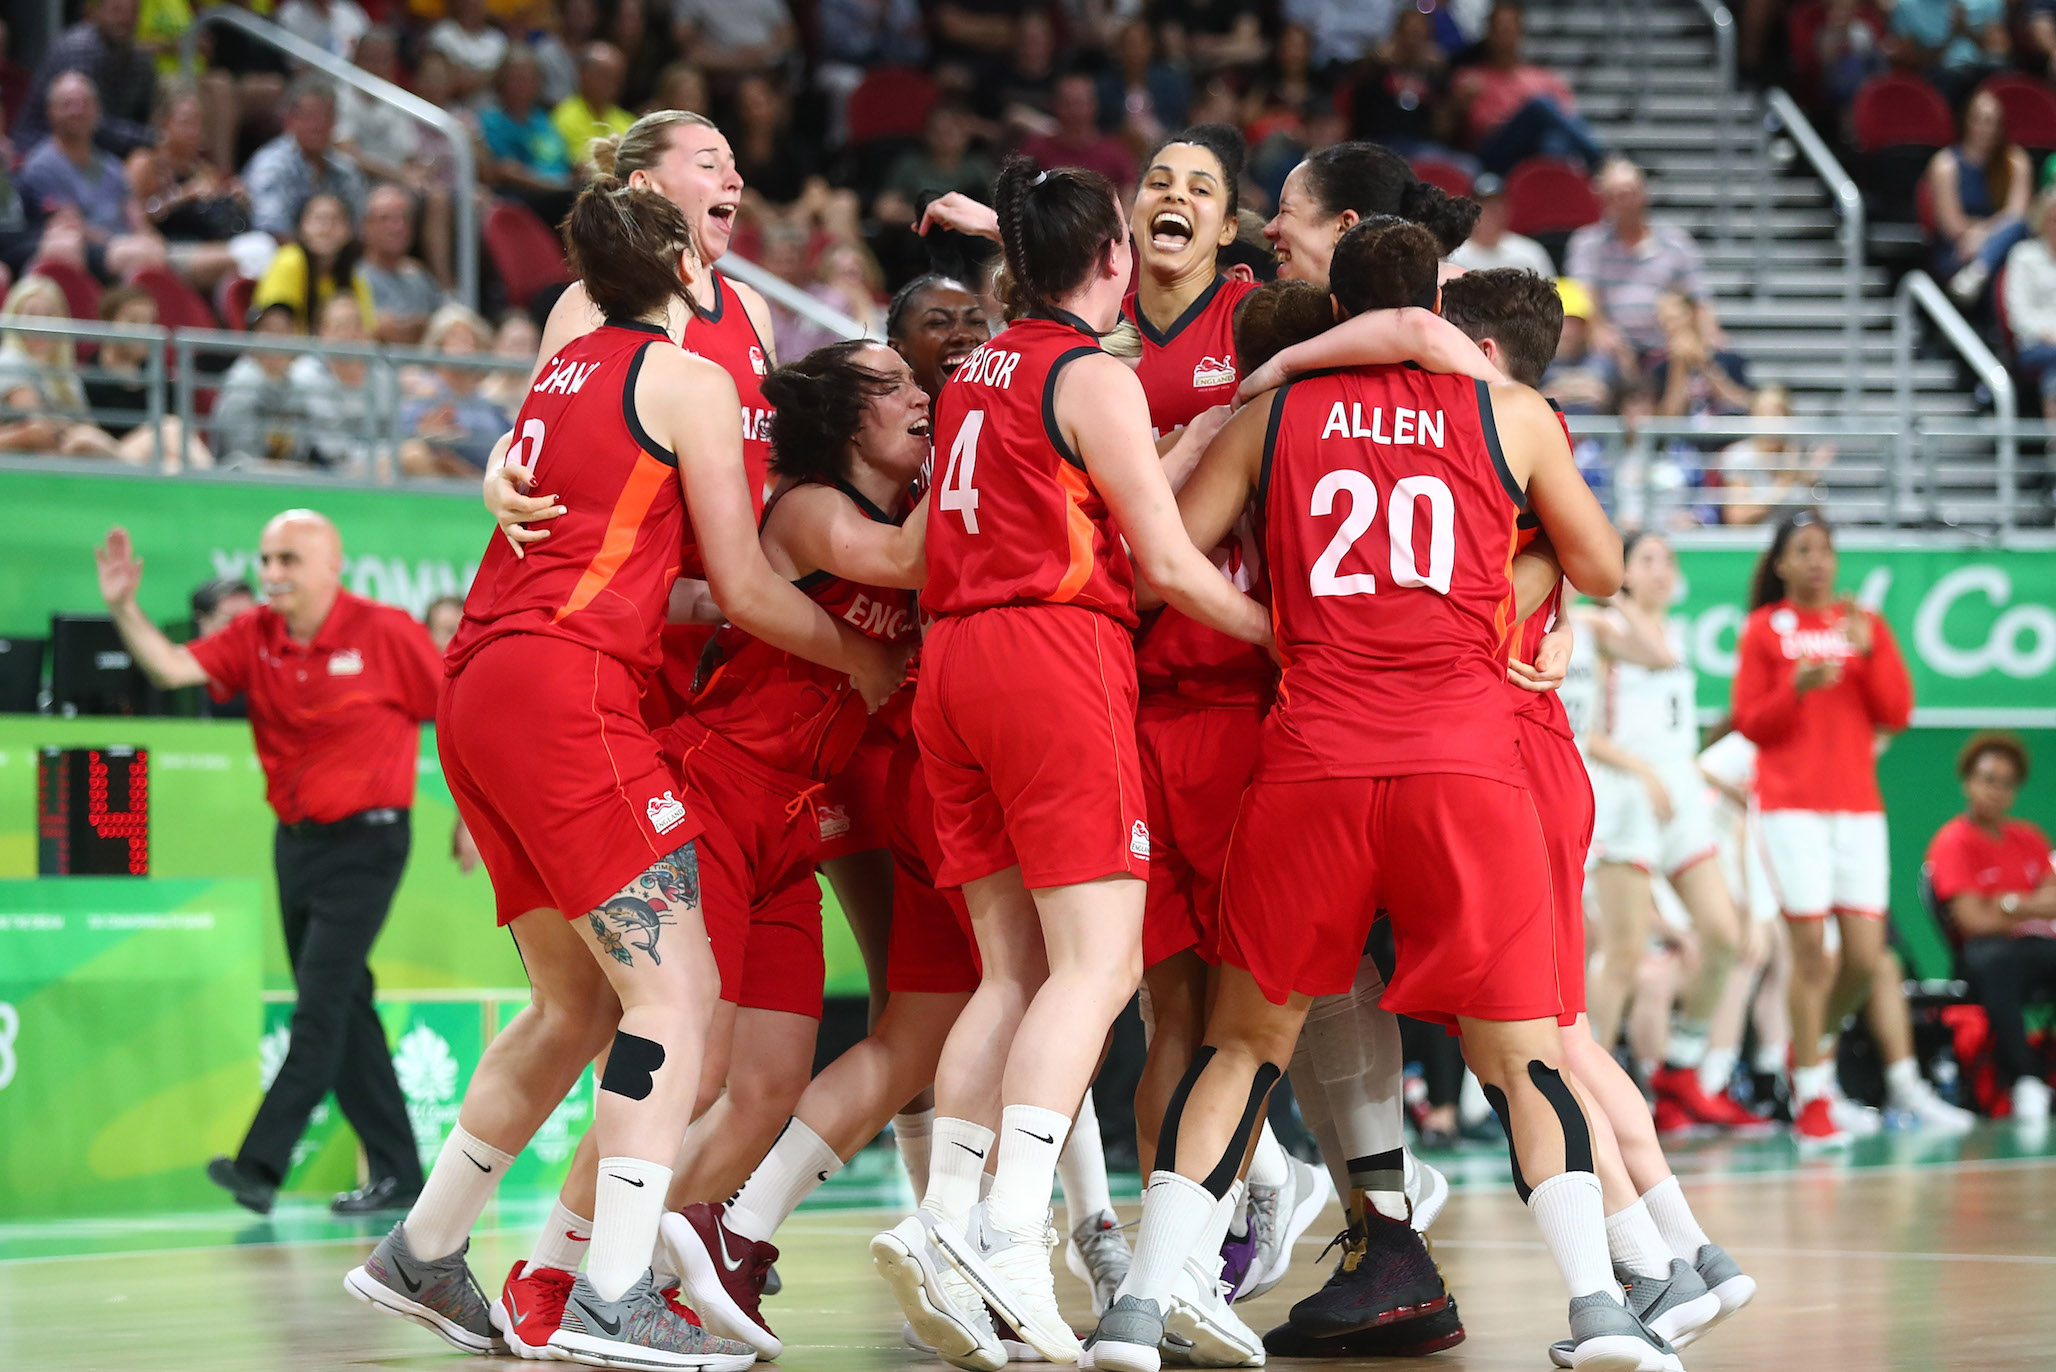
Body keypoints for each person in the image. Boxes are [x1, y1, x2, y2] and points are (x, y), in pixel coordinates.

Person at [345, 174, 898, 1366]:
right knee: (677, 998)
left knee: (573, 1006)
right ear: (688, 271)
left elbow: (654, 565)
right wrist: (860, 654)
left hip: (479, 678)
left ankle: (424, 1250)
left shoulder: (564, 370)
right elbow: (745, 587)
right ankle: (612, 1291)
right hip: (568, 687)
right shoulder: (687, 380)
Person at [1085, 215, 1646, 1372]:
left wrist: (1270, 619)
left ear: (1334, 308)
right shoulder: (1511, 412)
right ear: (1436, 304)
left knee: (1242, 1046)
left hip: (1313, 760)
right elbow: (1601, 564)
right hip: (1464, 764)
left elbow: (1164, 562)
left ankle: (1138, 1309)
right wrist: (1519, 573)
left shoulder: (1275, 414)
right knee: (1523, 1057)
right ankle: (1600, 1310)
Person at [872, 154, 1271, 1370]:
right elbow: (1170, 564)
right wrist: (1281, 635)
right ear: (1111, 259)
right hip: (1052, 656)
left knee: (1012, 971)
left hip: (950, 665)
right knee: (1099, 966)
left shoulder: (975, 370)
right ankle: (1009, 1233)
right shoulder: (1090, 375)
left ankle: (945, 1221)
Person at [94, 510, 439, 1217]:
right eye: (266, 560)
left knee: (319, 1005)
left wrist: (474, 817)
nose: (272, 574)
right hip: (297, 844)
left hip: (369, 844)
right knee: (345, 1003)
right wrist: (124, 608)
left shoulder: (386, 632)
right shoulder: (255, 635)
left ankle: (260, 1164)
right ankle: (401, 1174)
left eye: (288, 560)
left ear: (331, 567)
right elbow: (172, 668)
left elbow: (462, 716)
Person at [1731, 511, 1914, 1148]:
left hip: (1858, 808)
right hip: (1791, 809)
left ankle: (1810, 1048)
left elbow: (1897, 711)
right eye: (1804, 550)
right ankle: (1812, 1097)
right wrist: (1795, 686)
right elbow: (1751, 723)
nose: (1817, 561)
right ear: (1781, 563)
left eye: (1826, 549)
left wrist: (1870, 650)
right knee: (1811, 954)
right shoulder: (1764, 630)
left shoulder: (1863, 624)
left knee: (1865, 958)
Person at [1589, 533, 1754, 1129]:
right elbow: (1589, 732)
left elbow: (1673, 731)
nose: (1662, 569)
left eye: (1669, 559)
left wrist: (1702, 780)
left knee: (1725, 936)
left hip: (1681, 797)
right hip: (1629, 796)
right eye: (1648, 559)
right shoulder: (1602, 627)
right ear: (1624, 572)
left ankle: (1681, 1069)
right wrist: (1643, 773)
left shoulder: (1676, 635)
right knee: (1623, 952)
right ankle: (1591, 1089)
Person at [1927, 732, 2056, 1122]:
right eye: (1987, 780)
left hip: (2039, 948)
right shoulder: (1953, 842)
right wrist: (2031, 906)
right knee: (2000, 961)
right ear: (1968, 782)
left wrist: (2006, 902)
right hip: (1982, 957)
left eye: (2006, 783)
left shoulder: (2030, 838)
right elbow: (1972, 922)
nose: (1996, 791)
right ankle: (2027, 1080)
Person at [1566, 159, 1718, 374]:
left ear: (1644, 193)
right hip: (1611, 346)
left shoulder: (1676, 242)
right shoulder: (1587, 243)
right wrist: (1599, 329)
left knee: (1720, 365)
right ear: (1603, 200)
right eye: (1614, 195)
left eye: (1629, 193)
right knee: (1594, 377)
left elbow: (1699, 298)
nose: (1624, 202)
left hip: (1667, 345)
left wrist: (1710, 336)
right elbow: (1583, 294)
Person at [17, 71, 168, 285]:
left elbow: (137, 219)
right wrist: (125, 243)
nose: (77, 110)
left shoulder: (113, 166)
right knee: (145, 257)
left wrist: (150, 240)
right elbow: (71, 225)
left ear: (97, 110)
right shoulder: (42, 165)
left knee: (164, 252)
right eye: (67, 104)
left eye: (85, 103)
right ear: (50, 112)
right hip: (90, 251)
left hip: (128, 247)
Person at [0, 274, 163, 465]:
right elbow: (36, 420)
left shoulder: (65, 372)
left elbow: (86, 423)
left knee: (169, 432)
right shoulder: (10, 362)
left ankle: (135, 463)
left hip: (76, 450)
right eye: (32, 315)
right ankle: (134, 464)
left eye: (49, 315)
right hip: (40, 456)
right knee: (165, 433)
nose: (41, 323)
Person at [1450, 1, 1605, 174]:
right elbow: (1476, 128)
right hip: (1493, 157)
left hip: (1537, 152)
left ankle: (1553, 185)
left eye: (1510, 29)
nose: (1504, 36)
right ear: (1489, 33)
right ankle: (1602, 160)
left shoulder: (1544, 78)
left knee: (1553, 141)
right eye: (1500, 29)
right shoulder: (1471, 79)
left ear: (1520, 32)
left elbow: (1570, 120)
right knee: (1539, 106)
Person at [81, 285, 211, 471]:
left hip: (150, 462)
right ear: (107, 324)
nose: (144, 331)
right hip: (108, 461)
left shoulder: (158, 374)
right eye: (133, 321)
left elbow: (185, 430)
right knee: (170, 427)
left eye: (150, 323)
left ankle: (206, 476)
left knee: (173, 462)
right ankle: (213, 476)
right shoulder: (87, 378)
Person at [1927, 89, 2033, 310]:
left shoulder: (2016, 161)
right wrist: (1991, 233)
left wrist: (1983, 239)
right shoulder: (1945, 164)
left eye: (1994, 122)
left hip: (2000, 248)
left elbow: (2017, 216)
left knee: (2019, 234)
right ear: (1967, 121)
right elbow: (1952, 226)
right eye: (1981, 120)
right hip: (1958, 248)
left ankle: (1979, 271)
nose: (1987, 129)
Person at [15, 0, 158, 158]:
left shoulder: (140, 60)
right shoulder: (80, 48)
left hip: (99, 151)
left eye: (131, 12)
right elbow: (86, 121)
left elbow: (147, 116)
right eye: (116, 10)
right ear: (97, 12)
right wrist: (152, 138)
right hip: (43, 145)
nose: (124, 19)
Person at [243, 77, 368, 242]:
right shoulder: (271, 165)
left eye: (327, 116)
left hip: (340, 253)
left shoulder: (346, 169)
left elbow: (360, 228)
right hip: (284, 253)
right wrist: (319, 248)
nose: (320, 125)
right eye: (311, 116)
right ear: (290, 120)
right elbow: (272, 230)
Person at [398, 304, 511, 477]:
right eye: (454, 339)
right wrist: (427, 433)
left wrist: (463, 437)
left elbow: (504, 447)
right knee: (413, 454)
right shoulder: (422, 393)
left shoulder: (491, 398)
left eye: (468, 340)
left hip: (482, 478)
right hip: (435, 479)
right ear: (438, 345)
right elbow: (401, 436)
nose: (462, 348)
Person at [211, 302, 318, 466]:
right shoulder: (241, 383)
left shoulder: (298, 385)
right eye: (269, 329)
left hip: (286, 472)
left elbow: (300, 449)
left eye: (285, 330)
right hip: (240, 472)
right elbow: (240, 453)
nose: (278, 338)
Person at [253, 191, 373, 332]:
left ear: (349, 230)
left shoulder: (355, 278)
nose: (326, 228)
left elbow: (365, 332)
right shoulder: (289, 260)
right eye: (318, 219)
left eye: (335, 220)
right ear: (301, 226)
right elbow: (274, 328)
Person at [1717, 386, 1833, 526]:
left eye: (1777, 413)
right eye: (1764, 414)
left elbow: (1815, 519)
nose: (1771, 421)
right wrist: (1785, 482)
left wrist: (1811, 479)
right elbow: (1738, 518)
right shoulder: (1739, 457)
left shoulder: (1800, 456)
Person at [358, 185, 446, 345]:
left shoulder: (421, 278)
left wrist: (396, 327)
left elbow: (444, 328)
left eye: (404, 218)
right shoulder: (354, 276)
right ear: (366, 226)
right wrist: (420, 326)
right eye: (385, 219)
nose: (397, 227)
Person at [1020, 74, 1139, 192]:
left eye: (1079, 103)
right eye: (1067, 104)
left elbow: (1130, 188)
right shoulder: (1036, 150)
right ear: (1055, 106)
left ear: (1093, 106)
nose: (1074, 111)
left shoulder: (1115, 152)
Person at [1450, 173, 1556, 278]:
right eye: (1483, 207)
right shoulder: (1454, 256)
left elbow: (1550, 287)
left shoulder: (1530, 253)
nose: (1490, 214)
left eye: (1495, 207)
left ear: (1507, 210)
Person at [553, 42, 635, 173]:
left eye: (617, 76)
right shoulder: (564, 116)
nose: (613, 82)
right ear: (582, 75)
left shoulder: (629, 122)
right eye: (605, 75)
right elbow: (580, 167)